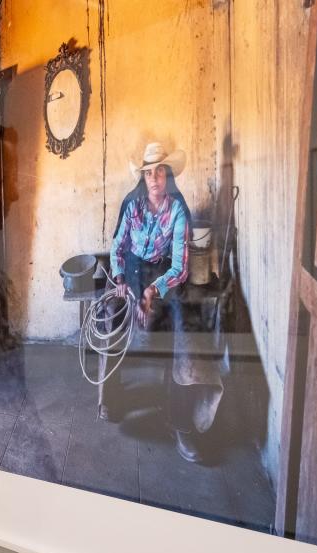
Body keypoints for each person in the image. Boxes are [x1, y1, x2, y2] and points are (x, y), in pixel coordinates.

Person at [98, 141, 199, 462]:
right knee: (110, 315)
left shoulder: (178, 210)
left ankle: (181, 421)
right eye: (149, 172)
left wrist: (154, 291)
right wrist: (120, 280)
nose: (155, 178)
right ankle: (110, 397)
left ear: (168, 175)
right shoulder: (133, 205)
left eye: (160, 171)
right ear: (142, 176)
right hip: (132, 269)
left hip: (163, 274)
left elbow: (180, 267)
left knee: (185, 325)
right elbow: (117, 248)